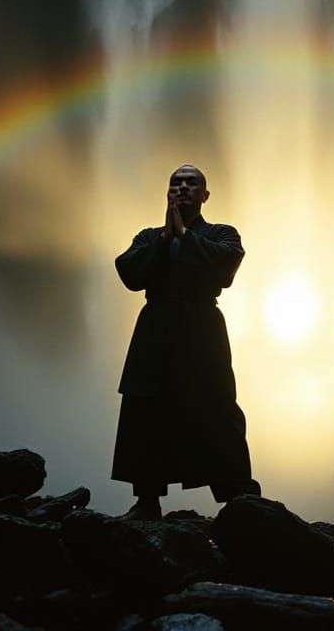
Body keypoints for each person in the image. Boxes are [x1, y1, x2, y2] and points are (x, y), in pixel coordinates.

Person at [111, 164, 261, 520]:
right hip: (155, 327)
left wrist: (185, 236)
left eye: (191, 183)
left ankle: (239, 496)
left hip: (202, 328)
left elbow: (226, 268)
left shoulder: (223, 233)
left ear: (205, 195)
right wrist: (166, 238)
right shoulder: (149, 237)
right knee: (145, 408)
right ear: (168, 193)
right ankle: (147, 499)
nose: (182, 188)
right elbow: (129, 272)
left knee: (218, 406)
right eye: (175, 183)